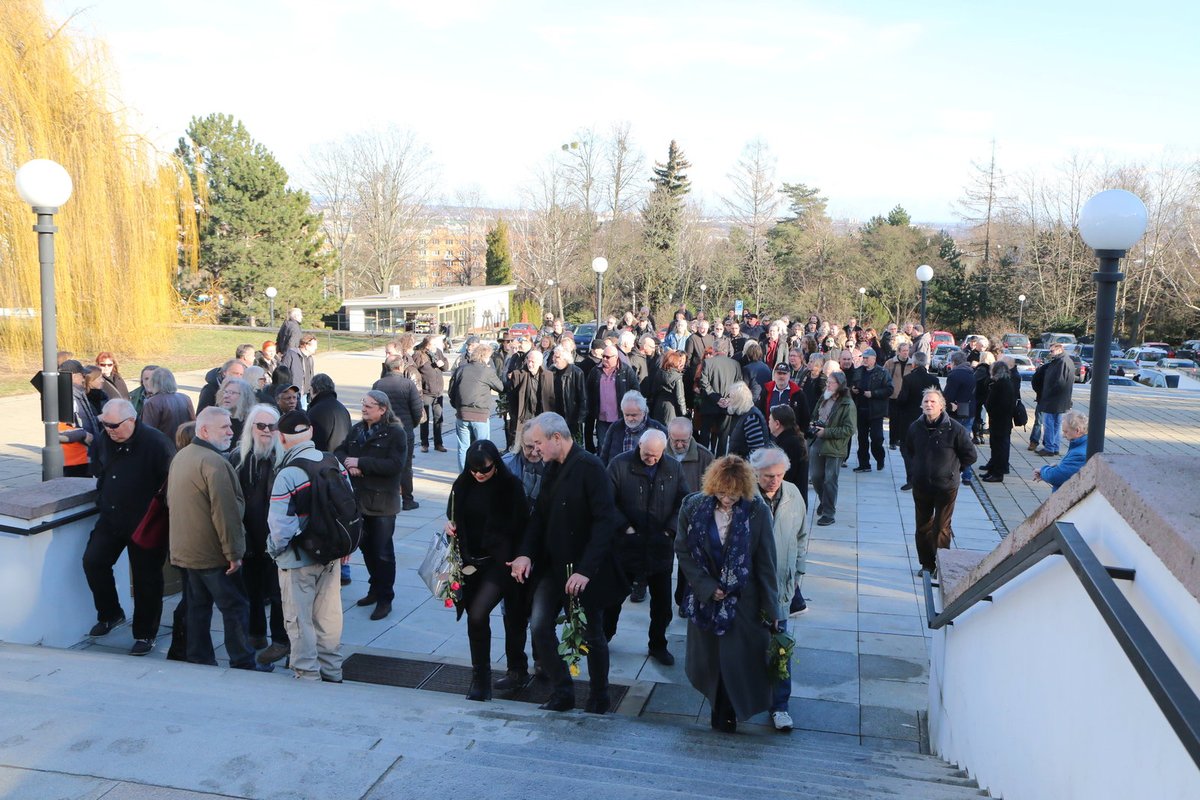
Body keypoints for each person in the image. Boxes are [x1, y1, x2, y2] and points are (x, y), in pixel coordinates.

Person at [509, 412, 627, 714]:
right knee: (539, 625)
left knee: (592, 634)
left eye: (538, 444)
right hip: (553, 566)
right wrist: (525, 553)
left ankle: (599, 696)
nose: (535, 451)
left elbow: (605, 522)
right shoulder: (552, 467)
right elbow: (540, 517)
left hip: (583, 569)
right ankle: (563, 691)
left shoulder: (590, 467)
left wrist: (586, 571)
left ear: (557, 439)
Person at [675, 455, 779, 733]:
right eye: (722, 493)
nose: (727, 499)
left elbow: (766, 562)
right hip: (705, 602)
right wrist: (707, 587)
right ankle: (718, 712)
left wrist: (773, 610)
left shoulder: (757, 511)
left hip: (744, 603)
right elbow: (683, 551)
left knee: (737, 664)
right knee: (710, 663)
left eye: (733, 495)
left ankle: (729, 714)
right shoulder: (693, 506)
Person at [167, 407, 264, 671]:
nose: (231, 432)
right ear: (205, 430)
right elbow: (226, 512)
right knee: (235, 608)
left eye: (231, 426)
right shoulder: (215, 462)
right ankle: (243, 661)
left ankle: (199, 658)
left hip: (187, 551)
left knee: (198, 608)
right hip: (213, 554)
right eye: (225, 427)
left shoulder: (183, 456)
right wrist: (233, 552)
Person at [82, 399, 174, 655]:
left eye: (114, 425)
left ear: (131, 420)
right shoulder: (104, 439)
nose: (109, 429)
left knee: (147, 579)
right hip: (112, 517)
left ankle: (146, 634)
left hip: (146, 522)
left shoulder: (157, 443)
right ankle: (111, 614)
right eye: (105, 424)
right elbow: (99, 469)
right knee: (93, 561)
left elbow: (170, 482)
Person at [444, 440, 531, 700]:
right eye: (473, 470)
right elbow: (452, 514)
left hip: (502, 562)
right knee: (477, 618)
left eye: (485, 469)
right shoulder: (462, 484)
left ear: (496, 464)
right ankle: (481, 675)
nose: (479, 474)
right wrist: (450, 526)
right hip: (471, 562)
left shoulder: (511, 486)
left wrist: (521, 558)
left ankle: (512, 670)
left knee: (496, 615)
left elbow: (524, 525)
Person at [268, 409, 348, 682]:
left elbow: (281, 528)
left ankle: (308, 678)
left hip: (297, 560)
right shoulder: (333, 462)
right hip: (331, 556)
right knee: (328, 618)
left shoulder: (288, 474)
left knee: (299, 621)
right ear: (311, 432)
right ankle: (332, 673)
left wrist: (275, 551)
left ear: (282, 438)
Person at [605, 429, 688, 665]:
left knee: (662, 604)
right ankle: (603, 636)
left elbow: (683, 500)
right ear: (639, 445)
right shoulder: (619, 465)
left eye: (655, 455)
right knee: (613, 598)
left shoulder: (672, 468)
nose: (650, 459)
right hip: (627, 545)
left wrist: (669, 531)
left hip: (659, 546)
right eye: (647, 453)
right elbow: (607, 502)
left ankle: (658, 644)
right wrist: (625, 528)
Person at [750, 447, 808, 731]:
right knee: (747, 648)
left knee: (780, 648)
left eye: (779, 475)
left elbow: (802, 534)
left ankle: (780, 707)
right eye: (768, 476)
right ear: (755, 473)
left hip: (782, 586)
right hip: (749, 589)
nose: (774, 480)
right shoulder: (743, 495)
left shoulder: (793, 493)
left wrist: (798, 572)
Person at [335, 390, 406, 620]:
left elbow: (395, 465)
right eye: (363, 404)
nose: (364, 408)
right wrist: (348, 463)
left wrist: (362, 463)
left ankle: (386, 597)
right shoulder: (358, 429)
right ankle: (374, 589)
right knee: (366, 548)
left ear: (382, 409)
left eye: (369, 406)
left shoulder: (395, 433)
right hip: (359, 502)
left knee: (383, 552)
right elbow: (340, 450)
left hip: (383, 504)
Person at [229, 404, 291, 666]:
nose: (266, 431)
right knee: (251, 588)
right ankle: (256, 634)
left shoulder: (285, 459)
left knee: (277, 593)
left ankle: (280, 640)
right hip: (248, 536)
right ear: (251, 428)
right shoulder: (238, 458)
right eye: (261, 426)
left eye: (272, 426)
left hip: (277, 538)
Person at [903, 389, 977, 575]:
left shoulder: (955, 429)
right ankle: (927, 564)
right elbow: (909, 450)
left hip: (945, 487)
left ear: (941, 405)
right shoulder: (915, 427)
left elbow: (970, 455)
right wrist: (915, 470)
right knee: (923, 526)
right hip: (921, 485)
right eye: (926, 401)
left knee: (942, 527)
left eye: (933, 402)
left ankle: (942, 565)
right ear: (921, 405)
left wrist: (953, 470)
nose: (929, 405)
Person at [372, 357, 423, 511]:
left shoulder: (378, 384)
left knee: (384, 464)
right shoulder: (408, 384)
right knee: (405, 466)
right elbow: (417, 409)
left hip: (383, 431)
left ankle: (385, 498)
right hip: (404, 431)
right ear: (400, 366)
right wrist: (411, 426)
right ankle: (407, 499)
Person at [809, 371, 857, 526]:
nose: (827, 385)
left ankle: (829, 513)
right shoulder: (824, 397)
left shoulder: (847, 404)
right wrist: (813, 424)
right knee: (816, 477)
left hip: (835, 446)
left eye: (831, 382)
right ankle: (825, 500)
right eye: (827, 382)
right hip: (818, 440)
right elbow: (815, 415)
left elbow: (849, 430)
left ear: (840, 385)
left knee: (830, 480)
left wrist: (827, 432)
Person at [448, 342, 505, 469]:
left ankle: (464, 474)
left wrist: (457, 406)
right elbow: (501, 387)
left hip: (462, 413)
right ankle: (482, 471)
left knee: (463, 447)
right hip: (480, 414)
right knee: (483, 447)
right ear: (485, 357)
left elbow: (451, 391)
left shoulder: (461, 369)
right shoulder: (487, 371)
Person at [896, 352, 941, 491]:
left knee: (907, 449)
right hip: (929, 419)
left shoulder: (909, 379)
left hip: (910, 419)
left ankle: (911, 479)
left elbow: (902, 399)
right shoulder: (933, 380)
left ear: (913, 364)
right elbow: (940, 400)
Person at [587, 349, 643, 458]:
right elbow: (588, 392)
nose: (604, 359)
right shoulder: (595, 371)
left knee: (620, 447)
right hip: (602, 418)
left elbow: (636, 391)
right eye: (603, 356)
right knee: (603, 447)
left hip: (620, 417)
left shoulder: (626, 371)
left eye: (607, 357)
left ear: (616, 357)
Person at [597, 390, 668, 466]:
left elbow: (666, 459)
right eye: (626, 415)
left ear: (644, 412)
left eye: (634, 415)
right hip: (618, 475)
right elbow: (604, 457)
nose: (630, 419)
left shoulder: (657, 429)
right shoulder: (615, 428)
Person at [851, 348, 893, 473]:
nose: (864, 360)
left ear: (873, 359)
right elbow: (852, 385)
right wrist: (853, 390)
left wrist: (873, 394)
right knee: (862, 439)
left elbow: (889, 389)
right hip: (861, 409)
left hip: (876, 411)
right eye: (863, 358)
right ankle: (864, 464)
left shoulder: (882, 372)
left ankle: (880, 458)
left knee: (877, 438)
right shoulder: (858, 371)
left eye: (866, 358)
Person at [698, 339, 742, 450]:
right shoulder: (735, 364)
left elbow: (703, 382)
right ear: (726, 350)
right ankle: (721, 461)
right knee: (723, 437)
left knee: (705, 435)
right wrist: (727, 399)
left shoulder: (708, 362)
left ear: (714, 349)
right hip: (727, 405)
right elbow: (738, 384)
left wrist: (716, 398)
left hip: (709, 404)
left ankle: (704, 460)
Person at [1033, 342, 1074, 457]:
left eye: (1052, 351)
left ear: (1059, 350)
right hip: (1060, 400)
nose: (1050, 353)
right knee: (1056, 424)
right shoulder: (1064, 361)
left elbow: (1060, 382)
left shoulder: (1061, 362)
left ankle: (1050, 447)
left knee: (1050, 424)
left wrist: (1047, 394)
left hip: (1054, 400)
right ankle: (1054, 447)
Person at [942, 351, 978, 484]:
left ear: (954, 362)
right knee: (965, 442)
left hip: (957, 413)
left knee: (952, 443)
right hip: (970, 412)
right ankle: (967, 475)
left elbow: (947, 397)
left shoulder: (955, 375)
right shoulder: (972, 372)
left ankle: (951, 471)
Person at [1035, 411, 1089, 491]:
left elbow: (1056, 476)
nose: (1063, 435)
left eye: (1066, 432)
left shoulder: (1079, 454)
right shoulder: (1082, 445)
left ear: (1077, 431)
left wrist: (1043, 470)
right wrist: (1056, 468)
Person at [141, 367, 195, 446]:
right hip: (184, 446)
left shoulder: (152, 402)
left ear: (154, 382)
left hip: (163, 448)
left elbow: (147, 432)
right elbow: (193, 422)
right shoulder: (185, 398)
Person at [981, 361, 1016, 483]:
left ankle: (998, 473)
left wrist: (991, 408)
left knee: (999, 448)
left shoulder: (1002, 384)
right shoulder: (1002, 383)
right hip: (999, 421)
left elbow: (1000, 404)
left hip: (1000, 421)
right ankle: (992, 469)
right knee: (995, 447)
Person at [721, 381, 769, 459]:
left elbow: (757, 450)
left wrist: (743, 467)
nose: (728, 400)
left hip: (746, 468)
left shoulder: (751, 418)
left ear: (739, 400)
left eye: (731, 397)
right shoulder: (745, 414)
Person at [503, 421, 545, 507]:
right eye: (529, 447)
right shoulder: (506, 464)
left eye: (539, 446)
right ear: (521, 443)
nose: (534, 453)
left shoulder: (555, 467)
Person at [768, 405, 808, 495]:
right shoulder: (790, 439)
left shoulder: (789, 444)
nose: (768, 423)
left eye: (770, 420)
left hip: (791, 499)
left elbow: (785, 476)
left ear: (777, 424)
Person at [306, 373, 352, 453]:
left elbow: (312, 442)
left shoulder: (316, 410)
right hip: (340, 459)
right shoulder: (342, 408)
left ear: (313, 389)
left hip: (323, 460)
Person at [412, 350, 446, 453]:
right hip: (426, 391)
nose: (436, 346)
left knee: (438, 418)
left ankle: (438, 443)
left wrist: (442, 363)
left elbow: (446, 367)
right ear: (428, 344)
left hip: (438, 392)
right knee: (425, 419)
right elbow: (414, 370)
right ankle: (424, 443)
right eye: (434, 344)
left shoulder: (438, 352)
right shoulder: (419, 354)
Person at [762, 363, 810, 431]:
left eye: (784, 374)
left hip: (790, 437)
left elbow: (805, 418)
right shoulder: (766, 391)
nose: (781, 376)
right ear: (774, 374)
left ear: (789, 375)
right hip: (769, 436)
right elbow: (761, 412)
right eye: (779, 373)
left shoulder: (798, 394)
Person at [646, 349, 688, 425]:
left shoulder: (659, 372)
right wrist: (684, 414)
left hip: (658, 404)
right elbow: (680, 398)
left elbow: (653, 391)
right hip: (671, 407)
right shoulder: (677, 377)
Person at [884, 342, 913, 450]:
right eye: (904, 350)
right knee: (894, 420)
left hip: (906, 396)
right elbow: (884, 376)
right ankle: (892, 441)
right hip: (893, 395)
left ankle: (901, 439)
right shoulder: (890, 363)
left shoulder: (912, 363)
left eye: (907, 350)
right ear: (899, 351)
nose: (906, 353)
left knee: (904, 420)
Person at [218, 377, 254, 452]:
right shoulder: (217, 419)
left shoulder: (252, 423)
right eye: (225, 392)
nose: (226, 396)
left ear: (244, 396)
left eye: (232, 393)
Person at [280, 334, 317, 405]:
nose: (316, 348)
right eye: (314, 345)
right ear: (306, 345)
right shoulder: (290, 355)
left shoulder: (310, 358)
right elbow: (282, 373)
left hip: (306, 395)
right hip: (293, 394)